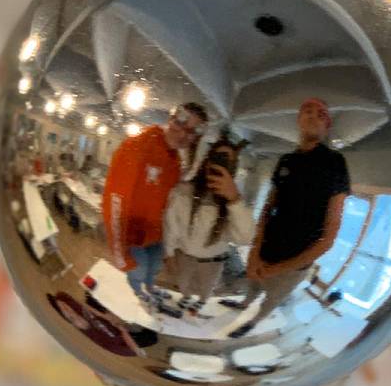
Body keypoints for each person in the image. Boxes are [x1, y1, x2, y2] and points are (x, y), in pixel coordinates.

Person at [232, 97, 349, 337]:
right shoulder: (286, 160)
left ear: (327, 125)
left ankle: (254, 320)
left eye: (321, 114)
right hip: (265, 251)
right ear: (299, 119)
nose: (313, 116)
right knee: (253, 286)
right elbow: (268, 208)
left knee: (272, 299)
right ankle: (244, 303)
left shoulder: (335, 162)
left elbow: (329, 237)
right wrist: (254, 252)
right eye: (308, 111)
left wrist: (280, 268)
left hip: (293, 265)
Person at [102, 102, 207, 305]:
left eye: (192, 132)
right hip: (132, 237)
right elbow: (114, 201)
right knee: (138, 273)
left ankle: (149, 289)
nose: (183, 135)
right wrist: (120, 253)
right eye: (181, 124)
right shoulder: (138, 146)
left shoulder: (175, 160)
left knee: (152, 271)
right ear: (171, 119)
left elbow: (168, 203)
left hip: (156, 236)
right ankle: (137, 297)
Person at [163, 136, 254, 315]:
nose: (221, 165)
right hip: (185, 256)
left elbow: (245, 239)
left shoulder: (235, 202)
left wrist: (234, 199)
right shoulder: (184, 191)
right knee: (183, 283)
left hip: (213, 261)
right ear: (207, 162)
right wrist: (169, 253)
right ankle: (186, 297)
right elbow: (171, 223)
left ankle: (201, 302)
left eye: (228, 163)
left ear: (233, 169)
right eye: (218, 159)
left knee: (207, 288)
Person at [46, 292, 157, 356]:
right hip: (122, 334)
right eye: (68, 315)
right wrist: (123, 330)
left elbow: (84, 306)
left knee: (92, 294)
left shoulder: (66, 300)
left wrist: (105, 316)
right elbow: (131, 345)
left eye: (63, 305)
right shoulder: (110, 343)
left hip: (108, 321)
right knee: (152, 337)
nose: (67, 308)